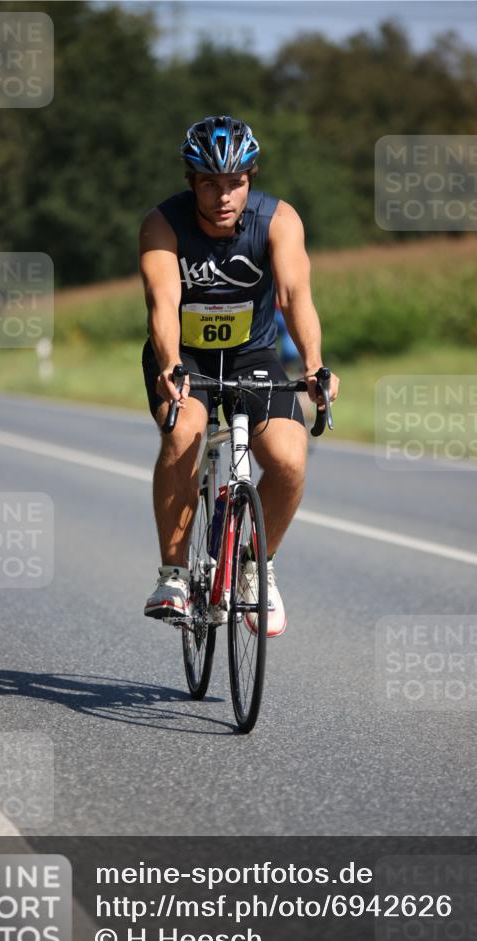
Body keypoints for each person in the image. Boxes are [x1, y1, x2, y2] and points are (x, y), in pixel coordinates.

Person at [139, 115, 339, 637]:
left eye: (235, 183)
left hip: (252, 353)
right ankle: (175, 577)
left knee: (290, 463)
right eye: (210, 183)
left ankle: (255, 565)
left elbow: (296, 298)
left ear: (250, 178)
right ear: (191, 182)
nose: (224, 196)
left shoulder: (279, 220)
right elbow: (163, 305)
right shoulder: (163, 225)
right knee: (184, 434)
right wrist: (169, 365)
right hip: (184, 356)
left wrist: (315, 366)